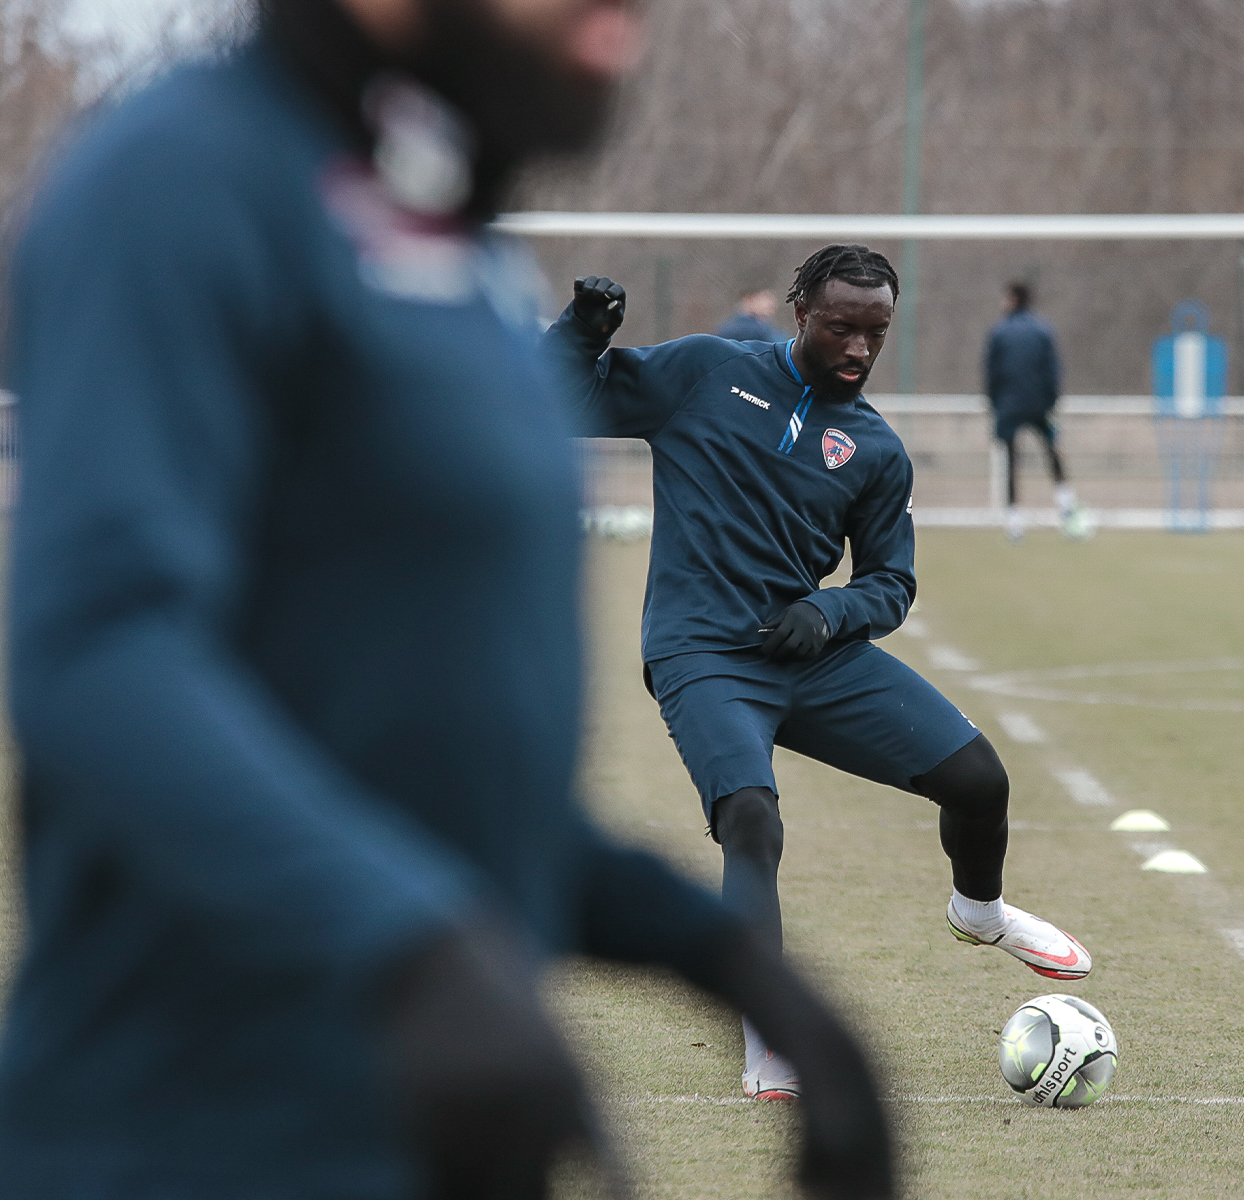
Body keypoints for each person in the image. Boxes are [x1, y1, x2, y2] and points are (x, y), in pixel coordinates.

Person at [0, 2, 893, 1198]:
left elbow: (420, 767)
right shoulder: (180, 183)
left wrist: (724, 957)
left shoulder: (454, 238)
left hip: (438, 1128)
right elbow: (97, 655)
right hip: (191, 1138)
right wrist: (412, 948)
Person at [543, 246, 1093, 1103]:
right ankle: (767, 1037)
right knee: (752, 821)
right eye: (842, 328)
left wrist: (829, 612)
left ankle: (978, 913)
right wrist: (581, 333)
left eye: (875, 333)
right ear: (800, 311)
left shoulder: (875, 449)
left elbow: (892, 581)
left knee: (980, 781)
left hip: (812, 657)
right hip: (702, 656)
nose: (859, 349)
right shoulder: (705, 372)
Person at [984, 281, 1074, 541]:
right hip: (1039, 405)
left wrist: (994, 403)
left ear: (1012, 299)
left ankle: (1014, 522)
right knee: (1052, 451)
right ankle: (1066, 505)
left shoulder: (1000, 332)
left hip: (1009, 405)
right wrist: (1052, 401)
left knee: (1011, 461)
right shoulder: (1043, 331)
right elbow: (1053, 371)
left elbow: (991, 372)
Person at [716, 284, 785, 342]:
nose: (772, 305)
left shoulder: (768, 328)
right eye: (765, 298)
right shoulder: (740, 329)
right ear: (749, 299)